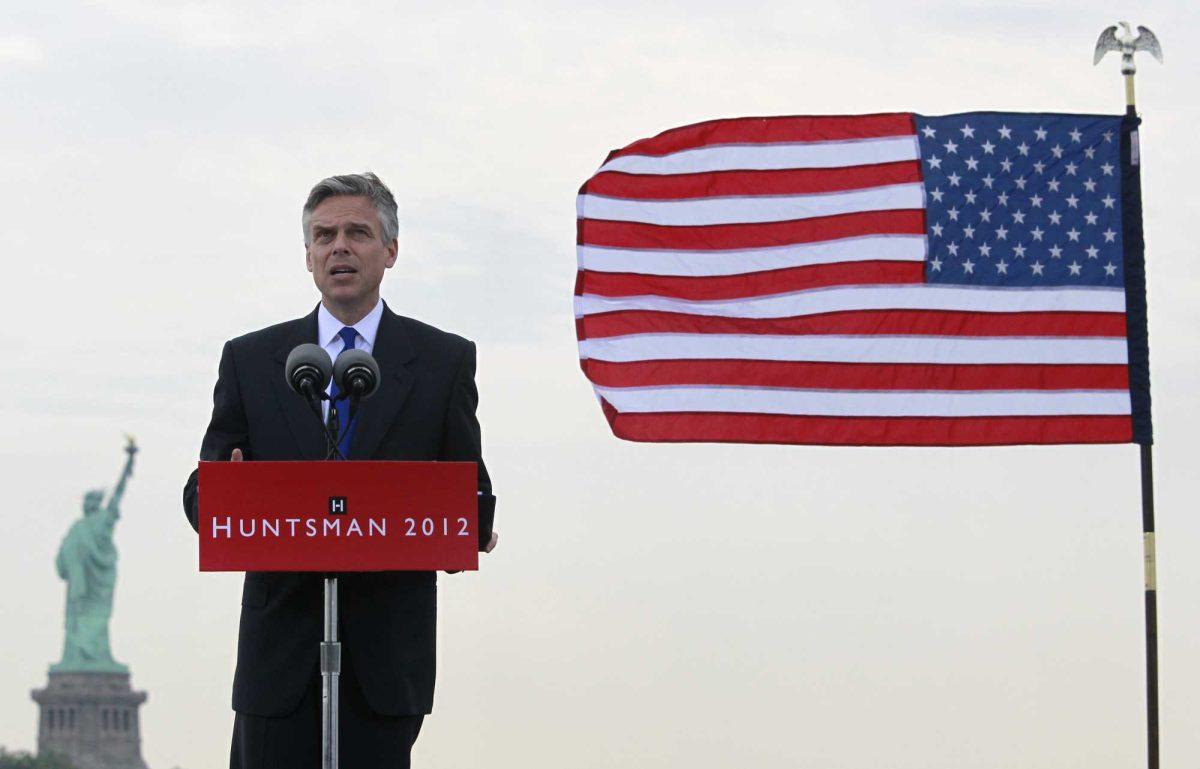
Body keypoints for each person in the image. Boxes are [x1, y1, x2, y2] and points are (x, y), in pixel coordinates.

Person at [182, 172, 497, 769]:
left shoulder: (442, 361)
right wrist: (230, 491)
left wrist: (472, 525)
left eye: (358, 232)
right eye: (324, 236)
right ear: (307, 256)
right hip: (280, 665)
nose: (339, 247)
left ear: (390, 250)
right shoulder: (252, 360)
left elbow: (471, 490)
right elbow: (203, 492)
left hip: (384, 666)